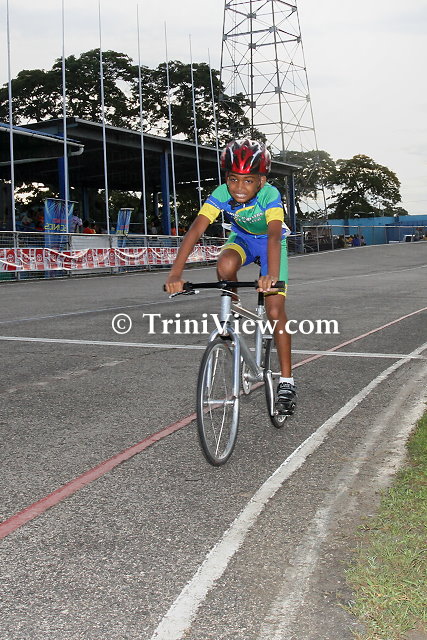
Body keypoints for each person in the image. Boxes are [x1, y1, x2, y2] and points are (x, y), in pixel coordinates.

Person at [165, 138, 296, 416]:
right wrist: (176, 272)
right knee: (225, 264)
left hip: (271, 245)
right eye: (233, 179)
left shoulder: (270, 195)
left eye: (248, 181)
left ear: (261, 180)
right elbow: (195, 230)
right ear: (226, 178)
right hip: (243, 240)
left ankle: (287, 381)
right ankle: (232, 309)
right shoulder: (221, 193)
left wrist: (271, 275)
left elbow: (274, 235)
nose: (239, 188)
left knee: (274, 310)